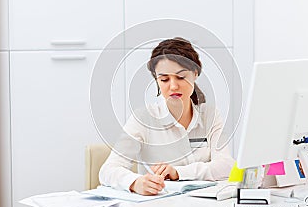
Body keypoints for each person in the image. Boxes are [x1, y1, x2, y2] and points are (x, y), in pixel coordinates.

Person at [99, 37, 234, 195]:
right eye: (164, 79)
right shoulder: (143, 118)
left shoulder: (209, 115)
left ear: (195, 73)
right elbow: (108, 170)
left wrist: (178, 173)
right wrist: (135, 183)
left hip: (206, 206)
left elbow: (226, 166)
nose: (173, 86)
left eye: (181, 77)